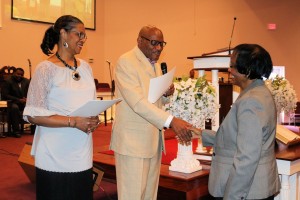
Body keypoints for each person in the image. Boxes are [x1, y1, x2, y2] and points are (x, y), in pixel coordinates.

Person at [110, 25, 193, 200]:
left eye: (162, 44)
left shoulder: (154, 65)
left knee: (149, 196)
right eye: (154, 43)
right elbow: (138, 103)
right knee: (132, 196)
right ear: (140, 40)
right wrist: (171, 121)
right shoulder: (126, 61)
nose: (159, 48)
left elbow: (150, 99)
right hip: (133, 143)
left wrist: (164, 96)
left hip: (152, 141)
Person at [23, 15, 100, 200]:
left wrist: (93, 118)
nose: (82, 39)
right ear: (63, 34)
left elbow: (90, 103)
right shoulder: (45, 69)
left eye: (84, 35)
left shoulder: (86, 68)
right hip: (54, 153)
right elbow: (33, 115)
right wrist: (74, 122)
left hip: (82, 151)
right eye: (78, 34)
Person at [190, 44, 281, 200]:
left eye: (232, 66)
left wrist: (232, 196)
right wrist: (200, 134)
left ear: (247, 71)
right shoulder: (259, 92)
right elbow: (238, 137)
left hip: (246, 192)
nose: (229, 71)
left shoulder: (251, 101)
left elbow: (247, 157)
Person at [2, 67, 30, 138]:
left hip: (24, 102)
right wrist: (18, 100)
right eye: (18, 74)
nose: (19, 76)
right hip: (11, 103)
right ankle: (16, 131)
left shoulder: (26, 81)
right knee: (15, 108)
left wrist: (27, 98)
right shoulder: (8, 81)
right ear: (14, 73)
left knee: (34, 106)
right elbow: (5, 95)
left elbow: (30, 92)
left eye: (21, 75)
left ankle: (34, 129)